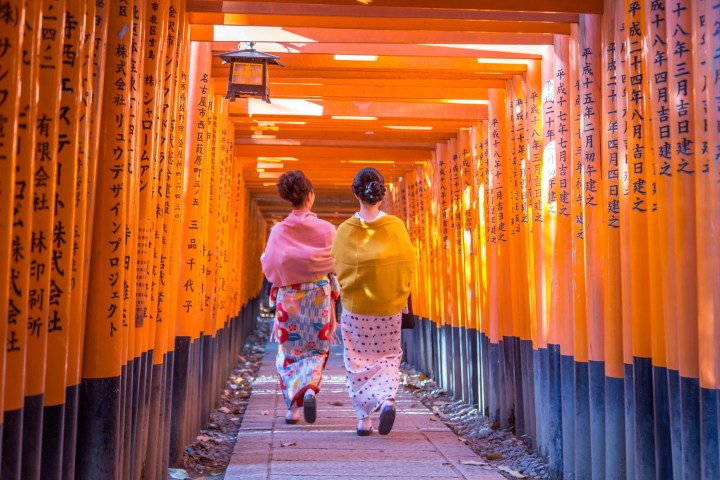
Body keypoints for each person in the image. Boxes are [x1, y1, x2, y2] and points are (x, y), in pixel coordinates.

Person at [332, 167, 416, 436]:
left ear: (356, 193)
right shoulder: (395, 227)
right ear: (381, 194)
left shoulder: (345, 230)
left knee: (357, 360)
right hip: (389, 307)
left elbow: (337, 266)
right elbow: (408, 264)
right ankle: (388, 399)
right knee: (389, 357)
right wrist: (398, 293)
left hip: (357, 309)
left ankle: (363, 421)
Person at [261, 170, 339, 424]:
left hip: (290, 298)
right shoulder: (327, 230)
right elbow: (337, 263)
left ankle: (292, 410)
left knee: (289, 351)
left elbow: (269, 265)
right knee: (317, 349)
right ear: (311, 196)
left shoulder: (278, 231)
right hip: (318, 297)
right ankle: (310, 387)